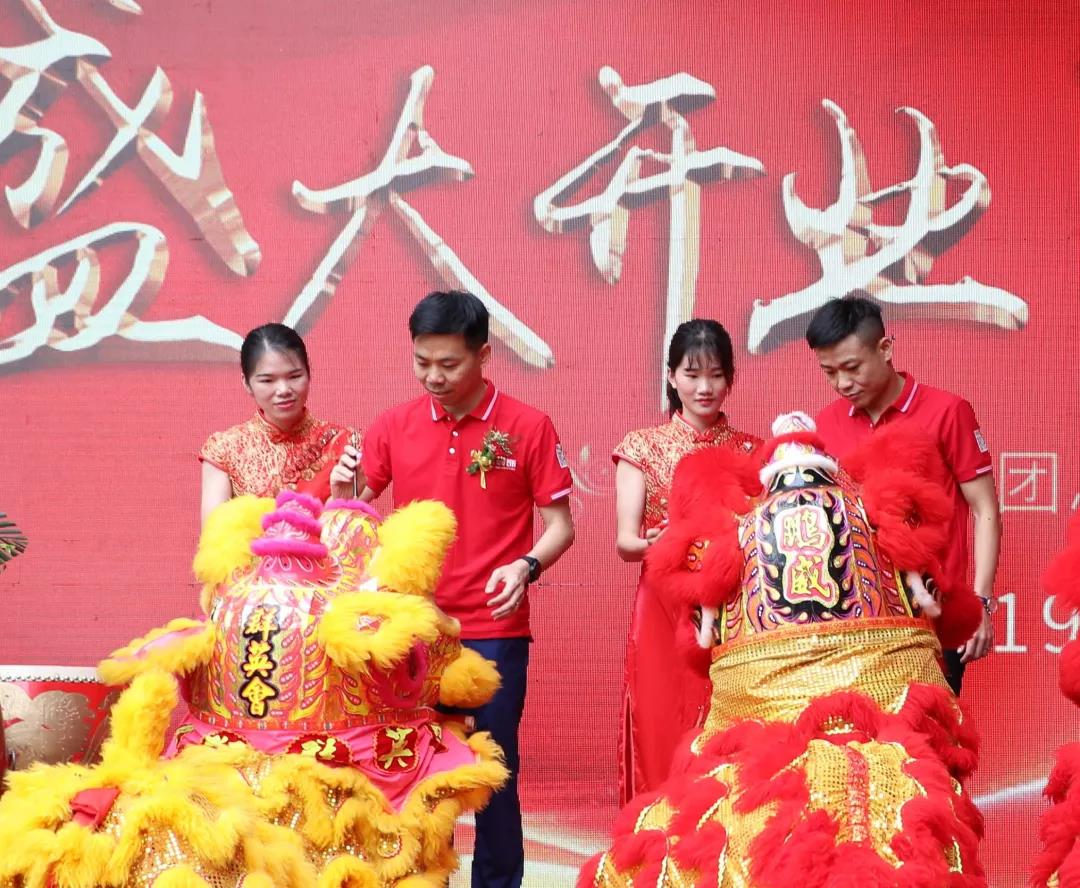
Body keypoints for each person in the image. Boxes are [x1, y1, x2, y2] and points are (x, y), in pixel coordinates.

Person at [332, 290, 575, 888]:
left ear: (484, 356)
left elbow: (561, 527)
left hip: (493, 627)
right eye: (422, 362)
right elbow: (353, 516)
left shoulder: (527, 426)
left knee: (492, 770)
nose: (433, 377)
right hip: (414, 628)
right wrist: (341, 491)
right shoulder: (394, 425)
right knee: (410, 767)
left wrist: (525, 567)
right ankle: (419, 877)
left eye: (449, 364)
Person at [805, 293, 1001, 693]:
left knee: (930, 726)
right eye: (829, 372)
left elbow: (985, 510)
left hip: (934, 614)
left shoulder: (947, 411)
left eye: (852, 368)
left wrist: (980, 602)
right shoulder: (826, 423)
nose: (842, 383)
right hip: (854, 621)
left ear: (885, 348)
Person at [612, 319, 760, 805]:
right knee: (660, 722)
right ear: (671, 376)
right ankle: (657, 835)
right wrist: (656, 542)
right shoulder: (641, 446)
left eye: (715, 375)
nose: (704, 387)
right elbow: (626, 542)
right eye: (692, 375)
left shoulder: (753, 452)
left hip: (735, 606)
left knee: (731, 721)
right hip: (664, 603)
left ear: (730, 378)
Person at [199, 323, 362, 523]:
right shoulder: (224, 450)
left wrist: (340, 502)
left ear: (309, 374)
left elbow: (358, 532)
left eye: (294, 376)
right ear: (246, 383)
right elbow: (215, 534)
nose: (283, 390)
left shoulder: (345, 443)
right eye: (267, 381)